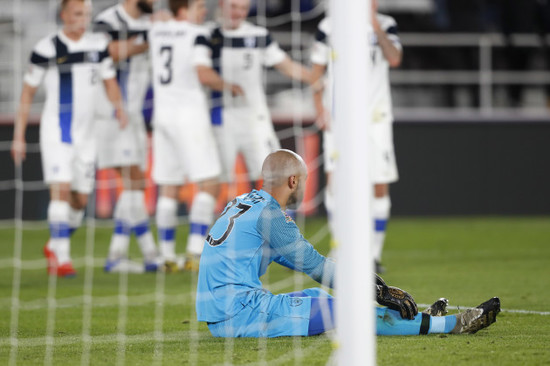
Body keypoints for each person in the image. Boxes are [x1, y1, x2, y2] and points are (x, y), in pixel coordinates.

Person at [196, 149, 501, 337]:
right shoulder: (271, 216)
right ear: (292, 182)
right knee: (350, 312)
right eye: (302, 180)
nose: (303, 185)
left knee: (319, 296)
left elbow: (307, 266)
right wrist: (378, 290)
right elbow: (317, 266)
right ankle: (454, 324)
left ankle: (418, 319)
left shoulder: (243, 202)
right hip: (239, 315)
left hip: (220, 311)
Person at [11, 0, 127, 277]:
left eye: (86, 14)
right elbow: (27, 93)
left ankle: (53, 245)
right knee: (61, 190)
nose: (82, 19)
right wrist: (18, 135)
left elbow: (109, 82)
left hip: (87, 136)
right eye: (77, 14)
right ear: (64, 15)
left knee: (79, 199)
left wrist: (119, 109)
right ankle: (62, 259)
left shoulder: (98, 47)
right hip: (56, 132)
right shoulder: (46, 48)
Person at [148, 0, 244, 272]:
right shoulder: (196, 34)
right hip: (188, 115)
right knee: (210, 184)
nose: (204, 12)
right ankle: (193, 252)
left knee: (168, 186)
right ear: (182, 10)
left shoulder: (157, 31)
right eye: (199, 7)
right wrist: (227, 85)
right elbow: (202, 72)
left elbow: (151, 25)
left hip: (162, 115)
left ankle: (166, 256)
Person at [311, 0, 401, 273]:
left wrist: (374, 26)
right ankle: (339, 250)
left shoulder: (386, 24)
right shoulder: (329, 26)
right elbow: (316, 72)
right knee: (335, 183)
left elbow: (395, 58)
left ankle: (372, 255)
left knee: (379, 185)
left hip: (375, 119)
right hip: (340, 119)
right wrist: (319, 108)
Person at [208, 0, 313, 190]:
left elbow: (286, 65)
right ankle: (218, 219)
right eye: (234, 7)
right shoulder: (207, 34)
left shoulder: (258, 35)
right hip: (222, 118)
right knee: (217, 183)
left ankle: (280, 220)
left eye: (243, 8)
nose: (238, 13)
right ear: (222, 4)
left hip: (254, 116)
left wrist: (314, 78)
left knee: (274, 177)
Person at [93, 0, 164, 273]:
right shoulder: (108, 21)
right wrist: (147, 40)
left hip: (134, 114)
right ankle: (148, 253)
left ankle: (120, 254)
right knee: (133, 177)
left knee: (136, 182)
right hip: (112, 111)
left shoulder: (150, 21)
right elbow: (105, 52)